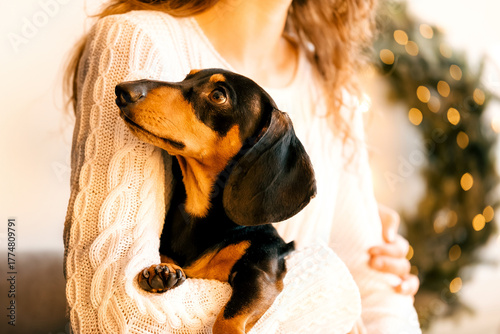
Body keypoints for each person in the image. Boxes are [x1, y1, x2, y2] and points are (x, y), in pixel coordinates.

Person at [63, 0, 420, 332]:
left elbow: (378, 293)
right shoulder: (138, 39)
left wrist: (346, 290)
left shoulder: (334, 90)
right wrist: (324, 287)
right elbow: (113, 314)